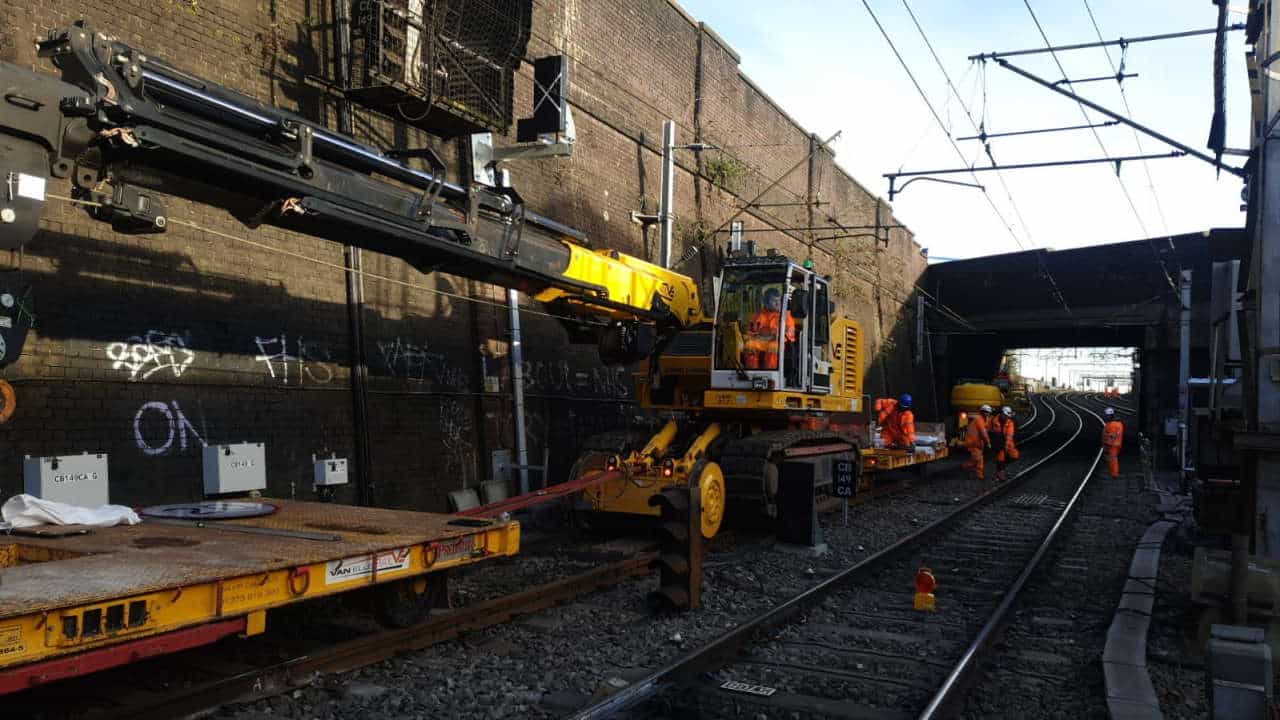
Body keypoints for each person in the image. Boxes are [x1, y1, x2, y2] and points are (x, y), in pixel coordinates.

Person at [742, 287, 795, 370]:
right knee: (750, 345)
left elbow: (787, 334)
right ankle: (752, 372)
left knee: (773, 347)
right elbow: (751, 333)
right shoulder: (758, 316)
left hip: (778, 342)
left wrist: (771, 335)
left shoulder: (786, 316)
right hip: (762, 341)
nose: (777, 303)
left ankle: (770, 372)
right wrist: (767, 335)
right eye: (774, 301)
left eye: (778, 300)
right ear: (766, 302)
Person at [961, 404, 993, 480]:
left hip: (977, 442)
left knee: (980, 459)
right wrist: (988, 442)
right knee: (977, 459)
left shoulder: (984, 419)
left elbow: (986, 430)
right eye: (985, 412)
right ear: (982, 412)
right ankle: (964, 467)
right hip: (972, 442)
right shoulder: (979, 419)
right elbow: (983, 432)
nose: (987, 413)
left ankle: (979, 475)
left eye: (988, 412)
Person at [994, 406, 1019, 482]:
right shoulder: (994, 420)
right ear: (1002, 414)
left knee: (1014, 455)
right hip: (998, 441)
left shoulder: (1010, 422)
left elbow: (1009, 435)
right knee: (1000, 457)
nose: (1007, 417)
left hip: (1007, 441)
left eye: (1008, 416)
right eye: (1006, 416)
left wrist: (1006, 445)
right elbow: (989, 429)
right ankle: (1000, 473)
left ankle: (1002, 469)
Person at [1102, 407, 1124, 478]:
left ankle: (1114, 474)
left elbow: (1112, 436)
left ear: (1109, 415)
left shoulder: (1112, 425)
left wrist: (1106, 445)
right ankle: (1113, 473)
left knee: (1113, 459)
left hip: (1112, 444)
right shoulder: (1118, 423)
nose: (1105, 417)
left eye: (1106, 415)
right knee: (1112, 459)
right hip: (1116, 444)